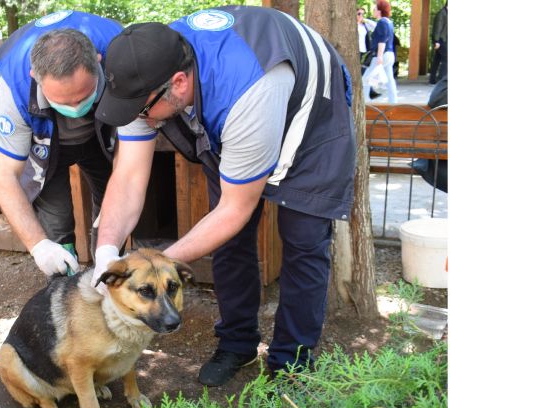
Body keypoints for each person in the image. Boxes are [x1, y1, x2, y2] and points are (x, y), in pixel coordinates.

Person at [92, 6, 356, 386]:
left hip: (308, 116)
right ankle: (238, 343)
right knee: (230, 243)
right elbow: (129, 176)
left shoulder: (248, 89)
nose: (140, 117)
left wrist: (151, 268)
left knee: (303, 240)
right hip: (239, 110)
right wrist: (106, 253)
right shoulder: (144, 73)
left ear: (179, 84)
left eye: (143, 111)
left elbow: (236, 208)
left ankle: (291, 360)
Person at [0, 10, 123, 276]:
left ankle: (106, 277)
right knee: (56, 222)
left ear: (98, 63)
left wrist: (111, 242)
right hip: (47, 144)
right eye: (62, 101)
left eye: (83, 96)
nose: (75, 107)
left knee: (111, 205)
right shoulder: (13, 88)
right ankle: (64, 289)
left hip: (102, 134)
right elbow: (3, 175)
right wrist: (39, 246)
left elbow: (132, 167)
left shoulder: (121, 54)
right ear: (35, 77)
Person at [362, 0, 398, 103]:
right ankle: (393, 102)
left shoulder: (382, 22)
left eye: (375, 8)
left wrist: (379, 56)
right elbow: (377, 28)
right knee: (390, 80)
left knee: (366, 79)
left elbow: (382, 40)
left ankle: (366, 103)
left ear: (379, 11)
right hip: (390, 54)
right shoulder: (388, 22)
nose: (373, 10)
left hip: (382, 54)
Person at [429, 2, 448, 84]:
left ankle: (432, 80)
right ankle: (441, 79)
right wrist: (436, 41)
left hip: (442, 40)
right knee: (446, 58)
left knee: (437, 60)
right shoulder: (441, 13)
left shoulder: (446, 13)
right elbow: (437, 28)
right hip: (440, 40)